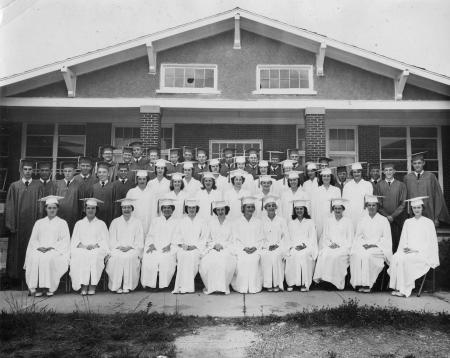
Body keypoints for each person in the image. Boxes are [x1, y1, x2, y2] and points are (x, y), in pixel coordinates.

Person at [389, 196, 439, 297]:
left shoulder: (428, 223)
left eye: (419, 207)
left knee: (405, 260)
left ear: (422, 208)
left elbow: (431, 243)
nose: (417, 210)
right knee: (396, 257)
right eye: (414, 208)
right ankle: (398, 287)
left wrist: (415, 250)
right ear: (411, 209)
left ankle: (405, 290)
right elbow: (404, 240)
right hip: (409, 251)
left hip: (422, 253)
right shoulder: (408, 222)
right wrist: (405, 248)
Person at [24, 196, 70, 297]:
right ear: (45, 209)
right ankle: (38, 287)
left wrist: (51, 247)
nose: (52, 210)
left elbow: (65, 240)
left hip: (55, 250)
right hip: (39, 249)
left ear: (57, 209)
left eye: (54, 208)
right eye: (49, 208)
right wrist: (39, 247)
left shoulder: (62, 223)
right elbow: (33, 240)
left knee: (48, 258)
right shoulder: (39, 223)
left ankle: (49, 287)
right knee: (34, 257)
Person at [5, 159, 43, 281]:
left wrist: (40, 225)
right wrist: (11, 224)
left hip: (33, 225)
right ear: (21, 170)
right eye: (25, 169)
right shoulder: (14, 186)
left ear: (33, 171)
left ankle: (31, 278)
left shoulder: (38, 186)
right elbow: (10, 206)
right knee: (17, 251)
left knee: (32, 250)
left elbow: (41, 207)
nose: (27, 171)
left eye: (30, 169)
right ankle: (16, 278)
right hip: (18, 225)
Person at [350, 195, 392, 293]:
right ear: (366, 206)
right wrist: (364, 244)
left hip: (378, 248)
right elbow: (358, 237)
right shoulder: (362, 220)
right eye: (369, 205)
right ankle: (359, 283)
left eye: (374, 205)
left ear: (377, 207)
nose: (371, 207)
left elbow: (386, 238)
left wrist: (374, 245)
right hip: (364, 246)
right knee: (356, 254)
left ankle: (368, 284)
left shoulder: (383, 220)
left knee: (367, 255)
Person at [70, 198, 109, 295]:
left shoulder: (101, 224)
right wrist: (82, 246)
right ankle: (83, 285)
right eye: (88, 208)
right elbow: (74, 239)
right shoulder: (79, 224)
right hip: (81, 248)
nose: (90, 210)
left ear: (96, 210)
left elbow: (105, 240)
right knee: (80, 255)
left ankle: (92, 285)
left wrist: (96, 245)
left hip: (97, 248)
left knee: (95, 255)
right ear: (85, 210)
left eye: (93, 208)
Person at [313, 198, 354, 290]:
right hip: (330, 246)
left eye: (339, 208)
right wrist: (330, 244)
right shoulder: (328, 221)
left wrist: (340, 246)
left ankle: (334, 283)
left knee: (336, 256)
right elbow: (325, 236)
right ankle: (324, 281)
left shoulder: (348, 221)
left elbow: (350, 238)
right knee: (324, 254)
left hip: (343, 248)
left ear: (343, 209)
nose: (337, 210)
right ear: (333, 209)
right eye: (335, 208)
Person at [106, 198, 144, 294]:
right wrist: (119, 247)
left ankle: (128, 285)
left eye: (128, 207)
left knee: (129, 257)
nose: (126, 210)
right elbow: (111, 239)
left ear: (132, 209)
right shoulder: (115, 222)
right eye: (124, 208)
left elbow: (139, 239)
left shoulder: (137, 222)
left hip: (132, 248)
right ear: (121, 209)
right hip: (117, 248)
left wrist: (129, 247)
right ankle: (117, 285)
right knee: (116, 257)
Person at [200, 200, 237, 295]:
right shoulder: (211, 223)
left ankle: (223, 287)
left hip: (226, 249)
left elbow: (233, 240)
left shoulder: (231, 224)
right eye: (218, 210)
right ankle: (211, 287)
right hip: (213, 248)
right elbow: (207, 239)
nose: (220, 212)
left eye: (222, 210)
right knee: (209, 261)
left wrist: (223, 245)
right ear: (216, 211)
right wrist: (214, 245)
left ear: (226, 210)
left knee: (224, 261)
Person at [403, 152, 450, 226]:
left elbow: (437, 197)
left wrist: (436, 216)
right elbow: (404, 197)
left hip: (429, 213)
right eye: (415, 163)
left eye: (419, 163)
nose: (417, 165)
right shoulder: (407, 178)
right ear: (412, 164)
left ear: (423, 163)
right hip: (412, 213)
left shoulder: (431, 177)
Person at [141, 198, 178, 290]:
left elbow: (178, 237)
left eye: (169, 208)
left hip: (169, 247)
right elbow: (150, 235)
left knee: (165, 259)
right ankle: (150, 284)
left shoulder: (177, 222)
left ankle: (162, 284)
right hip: (155, 247)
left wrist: (170, 245)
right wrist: (151, 244)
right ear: (161, 210)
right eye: (164, 208)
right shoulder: (155, 220)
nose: (166, 210)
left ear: (173, 209)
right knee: (149, 258)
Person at [172, 199, 208, 294]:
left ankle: (188, 287)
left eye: (193, 208)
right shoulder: (181, 221)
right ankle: (180, 286)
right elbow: (177, 236)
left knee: (192, 256)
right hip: (183, 248)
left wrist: (194, 246)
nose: (191, 209)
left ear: (197, 209)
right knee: (183, 256)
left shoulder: (202, 221)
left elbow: (204, 237)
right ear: (186, 209)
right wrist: (182, 245)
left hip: (196, 248)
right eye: (190, 208)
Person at [231, 196, 264, 294]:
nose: (250, 209)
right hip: (241, 249)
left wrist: (255, 247)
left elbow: (261, 238)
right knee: (243, 260)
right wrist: (244, 248)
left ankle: (254, 287)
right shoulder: (236, 222)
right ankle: (242, 287)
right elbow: (235, 239)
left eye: (252, 207)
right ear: (243, 209)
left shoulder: (258, 222)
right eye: (248, 207)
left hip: (255, 249)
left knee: (253, 260)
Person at [285, 199, 317, 292]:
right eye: (297, 209)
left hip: (307, 247)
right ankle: (291, 283)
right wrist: (292, 246)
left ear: (305, 210)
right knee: (292, 255)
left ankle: (304, 283)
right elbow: (288, 238)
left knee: (303, 255)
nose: (299, 211)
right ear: (294, 210)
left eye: (301, 209)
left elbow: (312, 237)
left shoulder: (310, 222)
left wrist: (305, 246)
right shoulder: (291, 222)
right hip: (294, 246)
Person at [375, 163, 407, 252]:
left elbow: (403, 204)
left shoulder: (401, 185)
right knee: (384, 242)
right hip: (383, 219)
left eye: (390, 170)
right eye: (386, 170)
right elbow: (378, 204)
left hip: (397, 220)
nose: (388, 172)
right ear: (383, 172)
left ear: (394, 171)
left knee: (396, 242)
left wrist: (393, 216)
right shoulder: (379, 185)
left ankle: (396, 263)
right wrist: (387, 216)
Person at [260, 195, 289, 292]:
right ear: (265, 208)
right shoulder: (262, 221)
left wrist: (278, 245)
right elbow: (260, 237)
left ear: (276, 207)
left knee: (276, 256)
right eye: (269, 206)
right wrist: (267, 246)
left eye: (273, 205)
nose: (271, 207)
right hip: (266, 247)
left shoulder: (282, 220)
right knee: (266, 256)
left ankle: (276, 283)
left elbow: (285, 236)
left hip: (279, 246)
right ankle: (268, 284)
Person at [342, 162, 373, 231]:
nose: (356, 174)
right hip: (350, 214)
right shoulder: (347, 185)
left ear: (361, 173)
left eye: (358, 172)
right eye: (354, 172)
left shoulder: (368, 185)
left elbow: (369, 201)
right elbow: (344, 202)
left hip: (363, 214)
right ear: (352, 173)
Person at [312, 168, 341, 238]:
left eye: (328, 176)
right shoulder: (316, 190)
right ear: (321, 178)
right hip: (319, 219)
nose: (326, 178)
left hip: (332, 218)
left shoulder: (336, 190)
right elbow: (313, 208)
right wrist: (313, 223)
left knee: (332, 238)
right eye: (324, 176)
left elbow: (339, 207)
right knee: (320, 239)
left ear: (331, 177)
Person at [55, 161, 82, 233]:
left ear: (74, 172)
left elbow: (81, 204)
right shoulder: (57, 184)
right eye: (65, 171)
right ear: (63, 172)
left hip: (73, 217)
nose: (67, 173)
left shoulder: (79, 185)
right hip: (59, 216)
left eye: (69, 171)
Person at [126, 170, 153, 236]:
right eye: (140, 179)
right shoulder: (131, 192)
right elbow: (127, 208)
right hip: (134, 220)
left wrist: (153, 223)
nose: (142, 181)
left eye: (144, 179)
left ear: (147, 180)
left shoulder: (152, 192)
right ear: (137, 180)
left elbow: (154, 209)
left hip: (148, 221)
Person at [90, 162, 115, 227]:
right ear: (97, 174)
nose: (102, 174)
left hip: (109, 218)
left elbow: (115, 206)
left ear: (108, 174)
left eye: (104, 172)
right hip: (96, 218)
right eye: (100, 172)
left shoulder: (113, 187)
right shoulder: (93, 187)